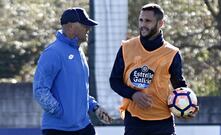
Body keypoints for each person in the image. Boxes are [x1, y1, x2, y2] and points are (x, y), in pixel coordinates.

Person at [109, 3, 198, 135]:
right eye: (141, 20)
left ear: (161, 23)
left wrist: (187, 105)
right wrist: (133, 94)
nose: (143, 25)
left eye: (148, 21)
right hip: (134, 120)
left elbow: (178, 84)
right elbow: (114, 81)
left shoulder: (172, 53)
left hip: (162, 121)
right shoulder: (126, 47)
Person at [33, 7, 113, 135]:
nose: (88, 28)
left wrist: (95, 107)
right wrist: (61, 113)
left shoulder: (79, 51)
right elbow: (40, 90)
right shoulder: (52, 53)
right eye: (84, 25)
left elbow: (79, 90)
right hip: (58, 130)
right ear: (70, 26)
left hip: (84, 126)